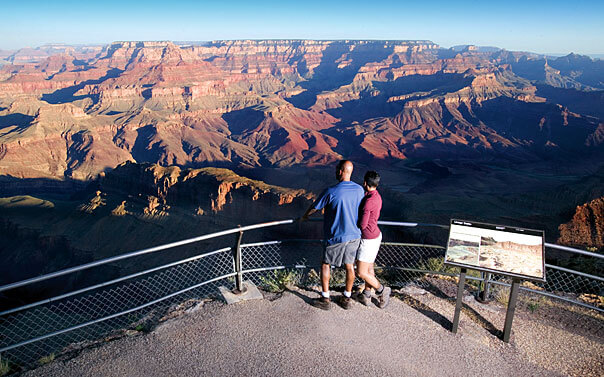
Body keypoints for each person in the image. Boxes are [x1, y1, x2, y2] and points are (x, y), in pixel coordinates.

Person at [301, 160, 364, 310]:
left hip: (336, 236)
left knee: (326, 265)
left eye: (337, 169)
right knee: (350, 266)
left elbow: (315, 207)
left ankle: (325, 298)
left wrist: (305, 216)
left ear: (341, 171)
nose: (336, 172)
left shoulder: (331, 191)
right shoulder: (360, 190)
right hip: (355, 235)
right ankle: (346, 297)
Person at [356, 171, 391, 308]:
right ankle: (366, 294)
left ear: (365, 183)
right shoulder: (377, 196)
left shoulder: (368, 201)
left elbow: (362, 224)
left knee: (361, 272)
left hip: (368, 239)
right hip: (376, 235)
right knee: (369, 268)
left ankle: (382, 290)